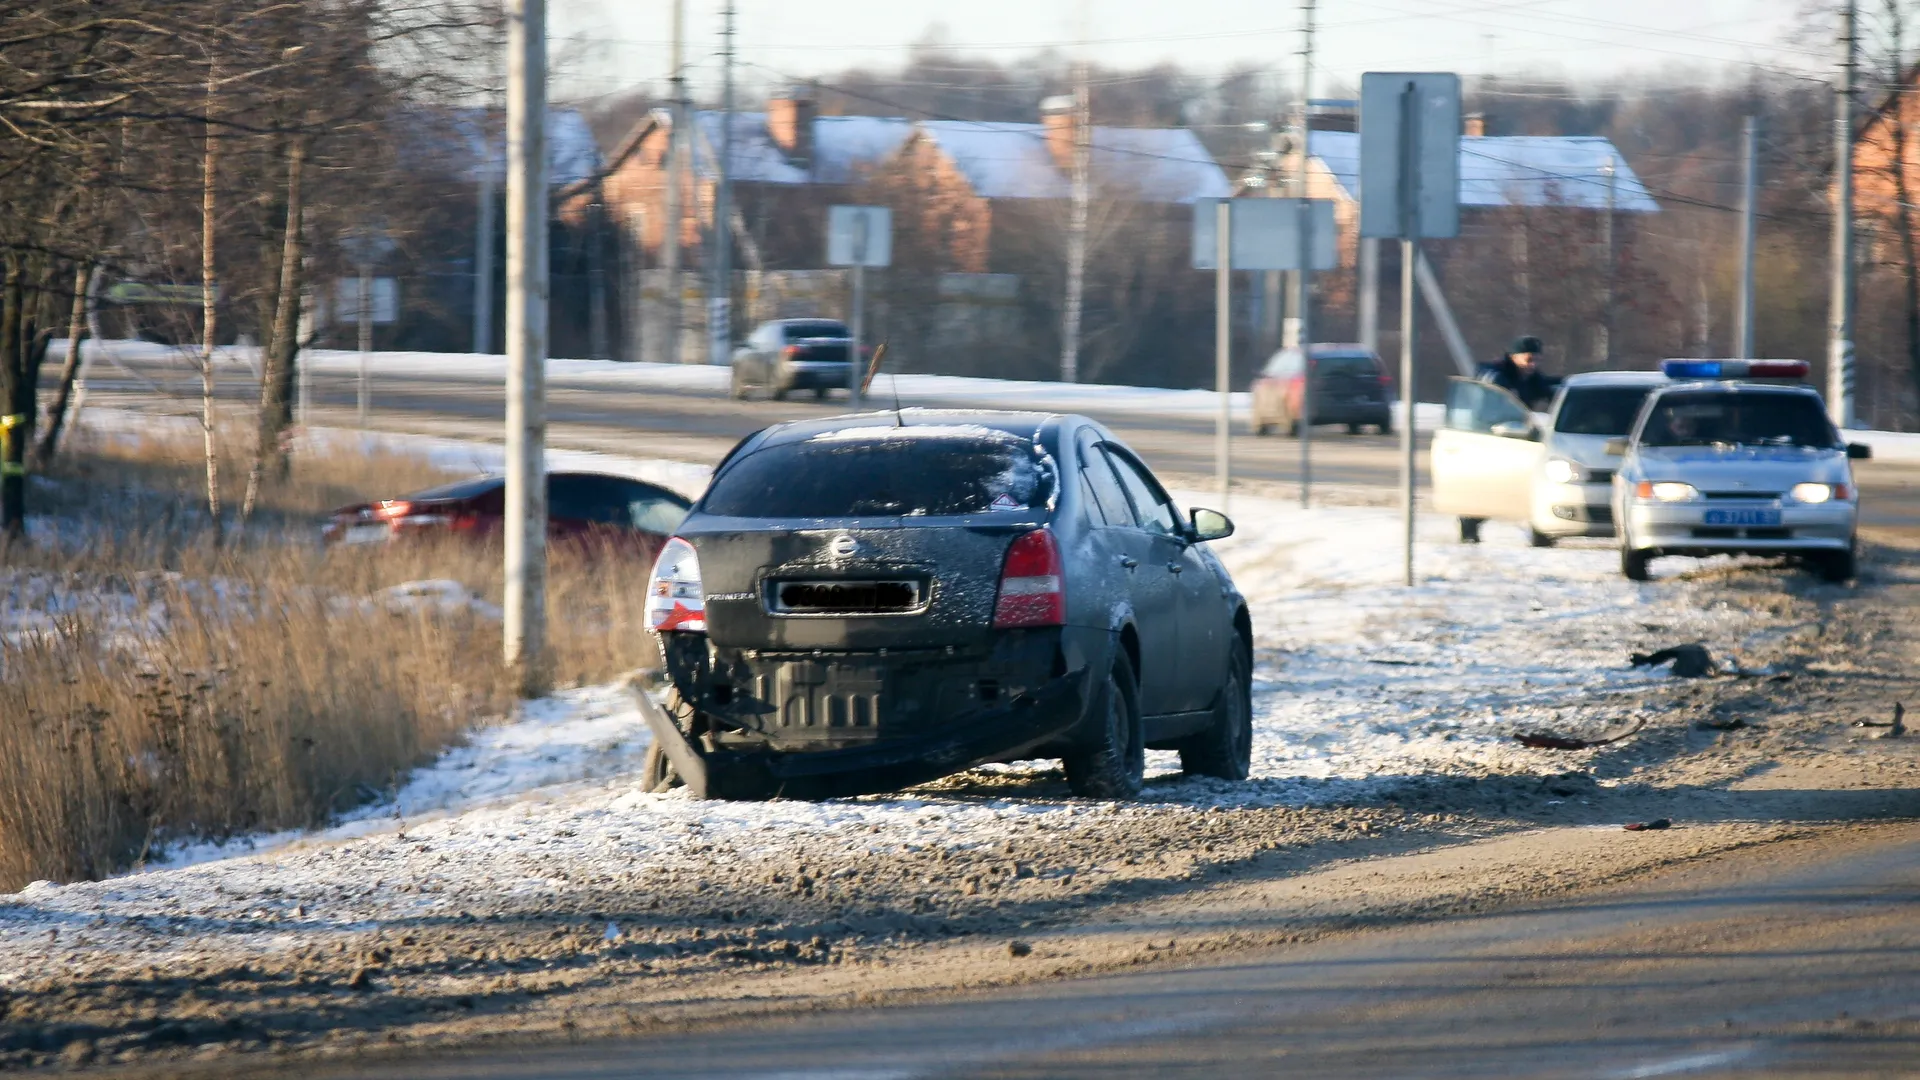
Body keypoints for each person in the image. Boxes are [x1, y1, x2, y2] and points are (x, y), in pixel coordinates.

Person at [1479, 335, 1560, 410]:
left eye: (1537, 360)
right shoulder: (1499, 369)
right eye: (1529, 360)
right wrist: (1504, 388)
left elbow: (1548, 385)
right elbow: (1484, 372)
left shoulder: (1535, 379)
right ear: (1513, 357)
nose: (1533, 365)